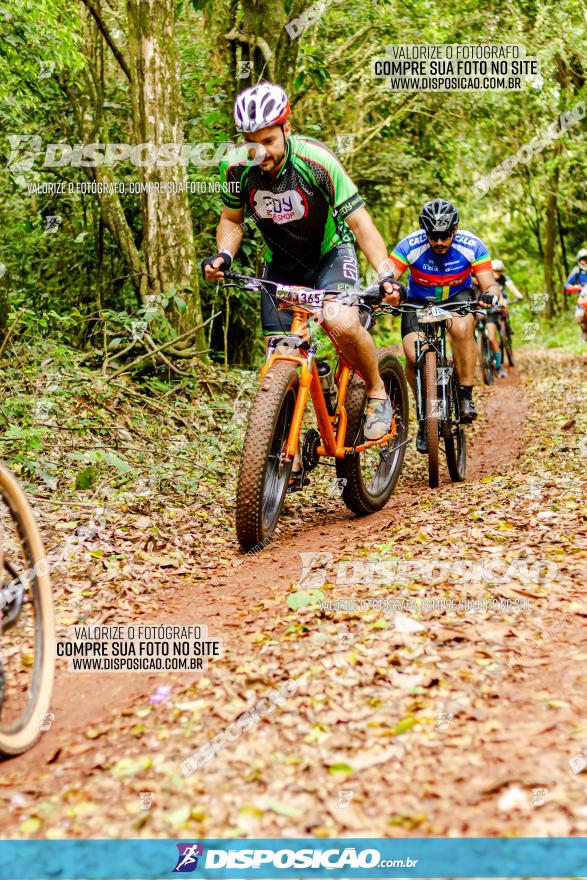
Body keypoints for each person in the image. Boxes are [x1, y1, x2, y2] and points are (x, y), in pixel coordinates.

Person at [201, 82, 402, 447]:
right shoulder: (234, 168)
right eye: (251, 142)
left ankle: (376, 393)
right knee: (281, 354)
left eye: (268, 141)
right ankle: (280, 452)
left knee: (340, 321)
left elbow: (360, 223)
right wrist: (224, 255)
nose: (260, 152)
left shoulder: (317, 161)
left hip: (330, 255)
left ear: (287, 129)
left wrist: (385, 274)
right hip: (280, 265)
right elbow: (231, 220)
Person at [386, 199, 500, 453]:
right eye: (433, 236)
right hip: (419, 301)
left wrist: (490, 295)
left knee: (461, 330)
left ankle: (465, 395)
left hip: (457, 297)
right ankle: (426, 416)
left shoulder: (472, 245)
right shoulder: (409, 245)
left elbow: (489, 284)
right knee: (413, 354)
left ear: (455, 229)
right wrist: (385, 291)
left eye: (445, 236)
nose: (439, 242)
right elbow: (386, 277)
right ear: (425, 232)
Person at [564, 248, 587, 340]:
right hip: (583, 299)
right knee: (579, 316)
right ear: (579, 261)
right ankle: (584, 331)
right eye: (583, 259)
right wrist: (576, 287)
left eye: (586, 259)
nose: (585, 261)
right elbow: (567, 285)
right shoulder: (577, 271)